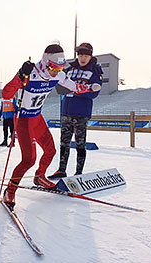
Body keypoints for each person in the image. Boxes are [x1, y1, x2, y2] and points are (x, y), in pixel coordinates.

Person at [2, 44, 101, 210]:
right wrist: (19, 76)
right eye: (53, 68)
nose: (55, 72)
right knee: (29, 159)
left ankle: (39, 176)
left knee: (51, 150)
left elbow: (74, 86)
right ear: (45, 62)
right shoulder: (30, 74)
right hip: (24, 119)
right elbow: (6, 94)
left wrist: (90, 87)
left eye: (60, 68)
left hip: (37, 117)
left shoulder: (58, 75)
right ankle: (10, 191)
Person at [49, 43, 103, 179]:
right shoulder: (69, 68)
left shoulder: (95, 70)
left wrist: (77, 90)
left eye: (85, 55)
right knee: (64, 142)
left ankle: (79, 172)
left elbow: (94, 93)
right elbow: (60, 83)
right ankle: (61, 170)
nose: (82, 58)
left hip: (81, 112)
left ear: (91, 56)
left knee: (80, 143)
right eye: (80, 55)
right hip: (67, 110)